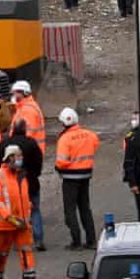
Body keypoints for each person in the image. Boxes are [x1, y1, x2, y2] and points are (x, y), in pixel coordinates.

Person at [0, 145, 46, 279]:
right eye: (16, 156)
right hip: (5, 224)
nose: (19, 159)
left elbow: (22, 197)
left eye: (20, 156)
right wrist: (9, 217)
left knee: (26, 251)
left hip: (22, 223)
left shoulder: (21, 176)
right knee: (1, 253)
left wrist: (28, 207)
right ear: (8, 159)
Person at [0, 118, 46, 251]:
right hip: (31, 183)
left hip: (11, 185)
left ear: (13, 129)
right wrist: (34, 175)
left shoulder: (4, 143)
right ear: (24, 129)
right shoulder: (31, 143)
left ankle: (17, 240)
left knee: (15, 211)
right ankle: (38, 239)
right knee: (34, 210)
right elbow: (39, 162)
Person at [55, 107, 99, 250]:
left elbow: (61, 161)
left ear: (63, 122)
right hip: (85, 176)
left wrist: (60, 167)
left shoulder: (64, 139)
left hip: (70, 178)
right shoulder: (89, 134)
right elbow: (96, 143)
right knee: (85, 208)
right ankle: (91, 240)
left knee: (70, 210)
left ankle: (76, 241)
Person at [10, 80, 45, 155]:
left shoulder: (27, 110)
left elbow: (27, 134)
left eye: (15, 93)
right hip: (30, 151)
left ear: (23, 93)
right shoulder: (25, 107)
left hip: (28, 153)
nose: (13, 95)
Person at [122, 111, 140, 220]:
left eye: (135, 118)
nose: (133, 121)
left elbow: (128, 162)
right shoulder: (132, 137)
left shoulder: (131, 138)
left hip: (138, 178)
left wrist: (132, 183)